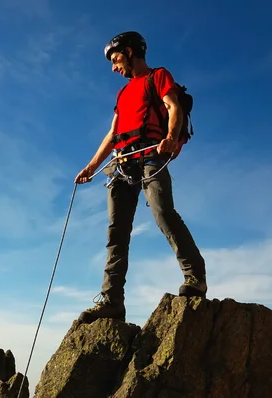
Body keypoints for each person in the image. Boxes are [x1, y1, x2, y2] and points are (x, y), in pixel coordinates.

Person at [74, 31, 207, 324]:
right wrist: (91, 166)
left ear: (131, 52)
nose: (113, 67)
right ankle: (112, 300)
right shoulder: (122, 94)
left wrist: (171, 137)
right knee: (116, 232)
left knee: (163, 214)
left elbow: (173, 107)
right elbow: (113, 133)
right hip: (121, 164)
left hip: (150, 156)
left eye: (116, 58)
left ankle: (195, 276)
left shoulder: (158, 76)